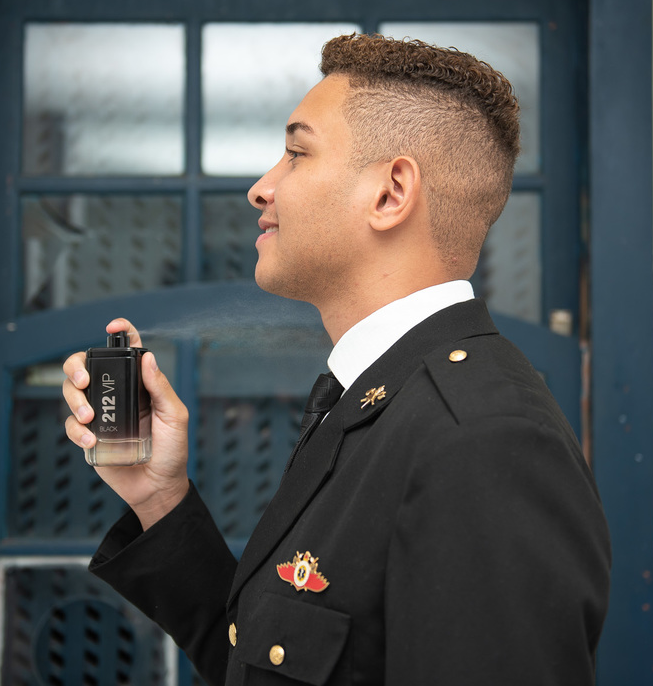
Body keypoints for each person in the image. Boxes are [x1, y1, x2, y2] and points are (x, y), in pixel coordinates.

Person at [61, 34, 611, 685]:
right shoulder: (376, 401)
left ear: (390, 192)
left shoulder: (484, 440)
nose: (261, 188)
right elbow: (263, 664)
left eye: (295, 153)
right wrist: (160, 498)